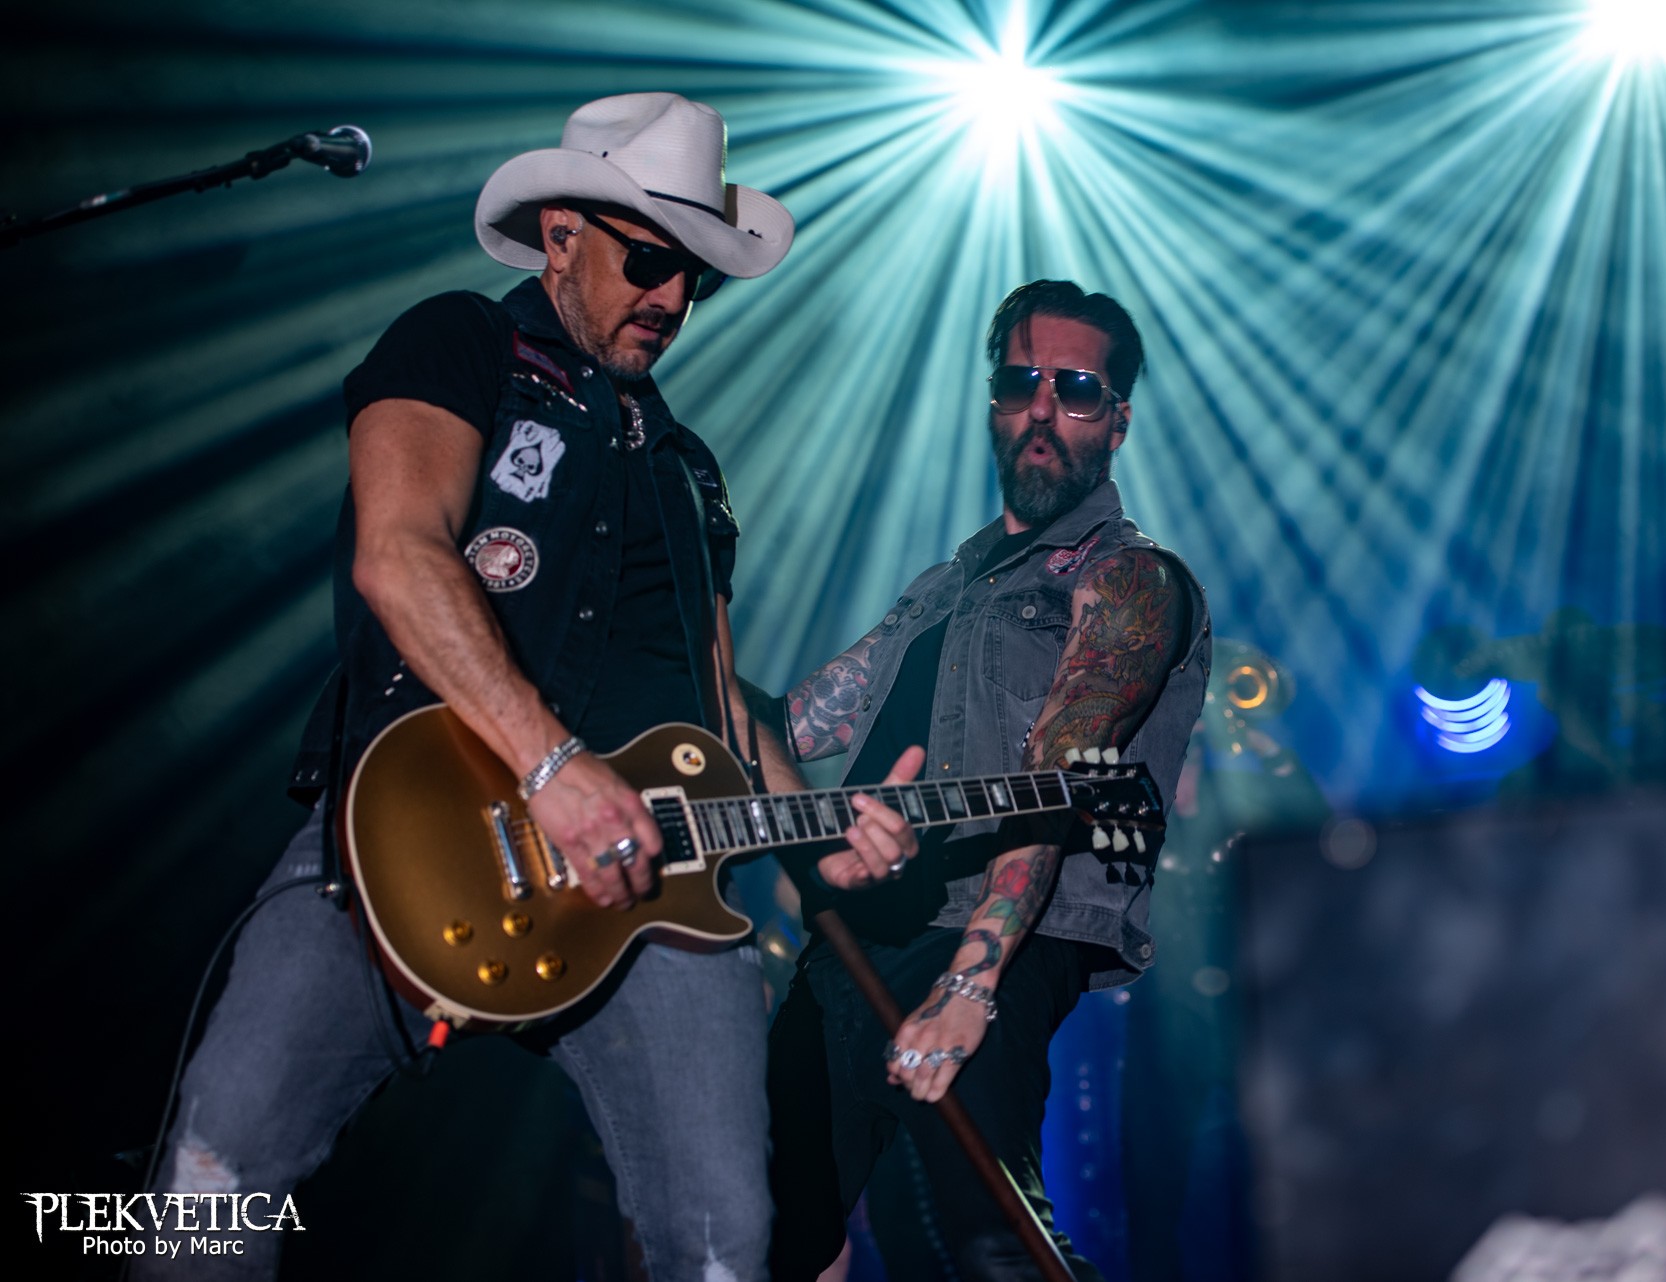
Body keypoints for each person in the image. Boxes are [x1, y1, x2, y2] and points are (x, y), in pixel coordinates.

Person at [139, 93, 918, 1282]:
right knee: (205, 1194)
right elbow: (401, 552)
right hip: (405, 833)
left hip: (651, 892)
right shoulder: (459, 343)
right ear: (561, 233)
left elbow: (719, 703)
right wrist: (553, 766)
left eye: (696, 278)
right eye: (649, 261)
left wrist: (822, 837)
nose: (672, 298)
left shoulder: (689, 469)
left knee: (724, 1249)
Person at [765, 281, 1212, 1280]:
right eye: (1020, 383)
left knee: (978, 1243)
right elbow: (789, 726)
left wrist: (974, 979)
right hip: (849, 939)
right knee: (771, 1236)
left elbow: (1056, 780)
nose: (1043, 409)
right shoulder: (942, 587)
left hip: (988, 936)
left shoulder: (1132, 580)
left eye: (1076, 389)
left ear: (1117, 420)